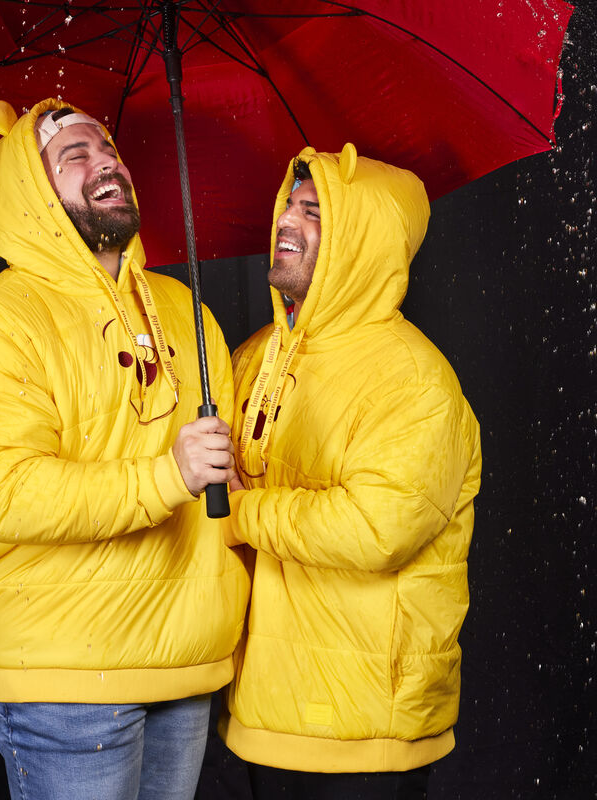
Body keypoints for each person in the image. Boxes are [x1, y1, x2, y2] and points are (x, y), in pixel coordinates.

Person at [0, 98, 249, 800]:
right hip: (66, 676)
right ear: (31, 196)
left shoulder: (186, 315)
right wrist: (167, 476)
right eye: (74, 156)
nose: (105, 162)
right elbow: (6, 494)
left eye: (108, 149)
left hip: (185, 662)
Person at [219, 145, 482, 798]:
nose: (286, 220)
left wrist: (240, 512)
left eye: (314, 211)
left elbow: (375, 528)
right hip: (262, 713)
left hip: (363, 731)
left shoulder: (414, 383)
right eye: (287, 204)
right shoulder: (252, 357)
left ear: (363, 242)